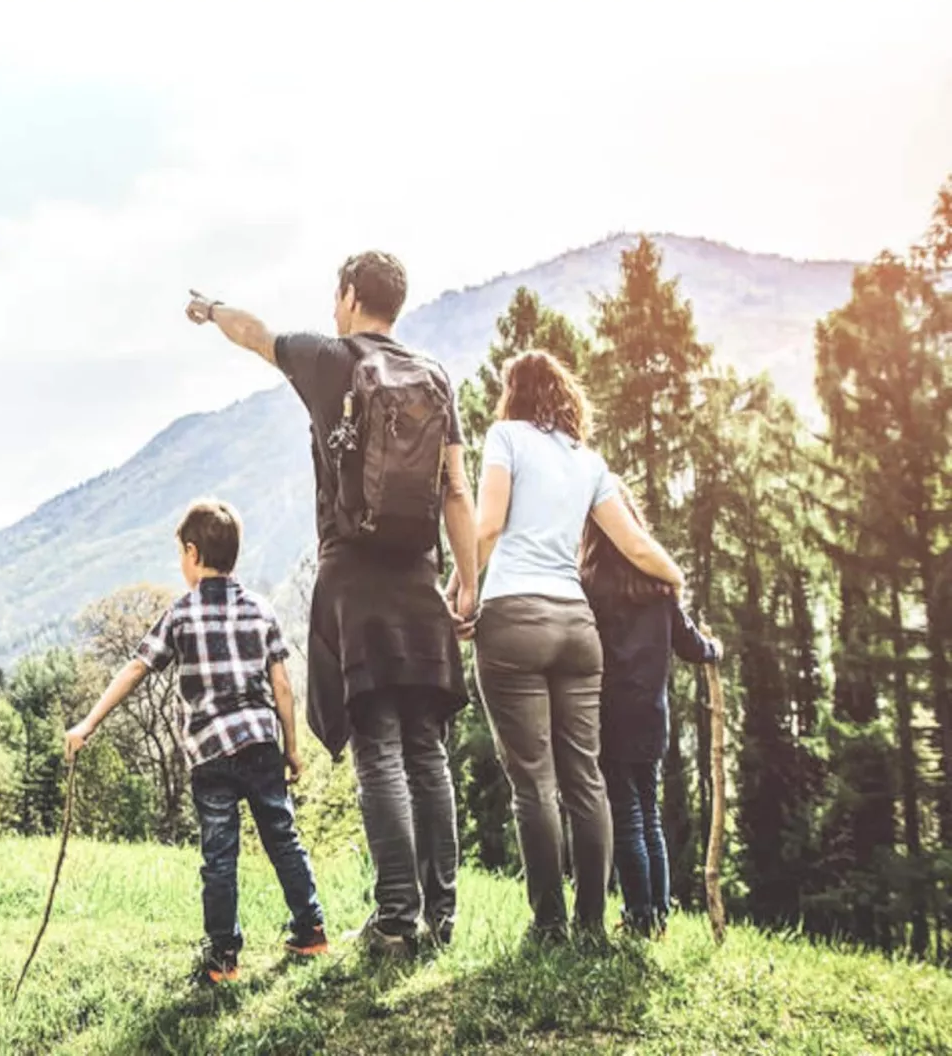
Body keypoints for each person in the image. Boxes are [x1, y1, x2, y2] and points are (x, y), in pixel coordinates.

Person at [185, 251, 478, 958]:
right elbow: (455, 490)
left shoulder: (331, 360)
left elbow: (255, 334)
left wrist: (211, 308)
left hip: (355, 579)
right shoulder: (434, 377)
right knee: (427, 751)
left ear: (349, 296)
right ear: (397, 305)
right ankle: (440, 918)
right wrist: (467, 584)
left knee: (378, 744)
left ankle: (396, 919)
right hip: (419, 577)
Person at [462, 350, 686, 943]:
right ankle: (592, 923)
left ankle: (550, 924)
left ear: (513, 393)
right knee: (585, 777)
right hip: (576, 629)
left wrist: (462, 590)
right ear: (565, 397)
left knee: (533, 781)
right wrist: (676, 576)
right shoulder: (589, 462)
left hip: (513, 618)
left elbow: (485, 526)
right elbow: (635, 545)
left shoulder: (505, 437)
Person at [64, 499, 327, 986]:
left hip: (210, 754)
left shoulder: (180, 615)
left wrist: (88, 723)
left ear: (192, 552)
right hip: (260, 743)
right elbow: (284, 689)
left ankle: (223, 958)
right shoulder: (259, 610)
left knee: (220, 855)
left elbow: (136, 669)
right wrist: (291, 748)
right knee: (282, 837)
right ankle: (310, 930)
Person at [580, 484, 721, 939]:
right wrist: (714, 648)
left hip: (612, 714)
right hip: (652, 716)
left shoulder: (589, 586)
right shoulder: (660, 588)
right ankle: (658, 913)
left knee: (627, 818)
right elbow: (691, 645)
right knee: (650, 814)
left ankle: (641, 917)